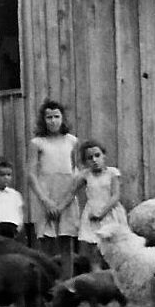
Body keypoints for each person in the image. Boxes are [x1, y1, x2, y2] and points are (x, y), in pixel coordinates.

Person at [26, 99, 79, 264]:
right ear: (43, 120)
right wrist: (45, 201)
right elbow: (31, 174)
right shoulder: (37, 143)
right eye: (49, 117)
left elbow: (76, 172)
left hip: (66, 195)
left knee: (66, 241)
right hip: (46, 195)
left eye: (56, 116)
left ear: (62, 118)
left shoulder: (71, 141)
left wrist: (65, 201)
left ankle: (67, 284)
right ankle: (46, 283)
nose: (53, 121)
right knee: (45, 242)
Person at [66, 140, 123, 273]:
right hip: (92, 214)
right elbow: (71, 192)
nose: (94, 160)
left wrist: (101, 213)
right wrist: (59, 206)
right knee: (94, 252)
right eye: (89, 158)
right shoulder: (86, 175)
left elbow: (115, 196)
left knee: (112, 249)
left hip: (109, 213)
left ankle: (113, 281)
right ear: (85, 162)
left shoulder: (112, 173)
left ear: (104, 156)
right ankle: (97, 280)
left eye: (97, 155)